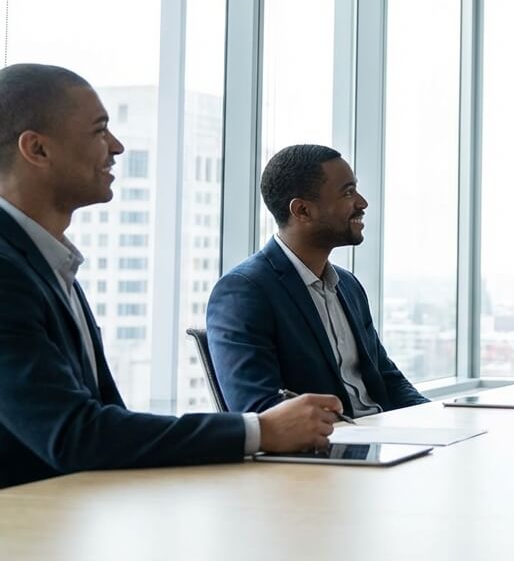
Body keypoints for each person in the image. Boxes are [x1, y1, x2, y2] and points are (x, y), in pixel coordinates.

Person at [0, 64, 339, 489]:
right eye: (99, 130)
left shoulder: (47, 262)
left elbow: (105, 423)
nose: (117, 146)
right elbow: (73, 434)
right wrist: (260, 431)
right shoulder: (7, 271)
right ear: (37, 149)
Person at [207, 145, 428, 417]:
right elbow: (258, 410)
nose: (362, 202)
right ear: (302, 210)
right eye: (348, 192)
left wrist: (443, 421)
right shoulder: (243, 291)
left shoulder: (348, 286)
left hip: (379, 441)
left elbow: (388, 379)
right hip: (326, 450)